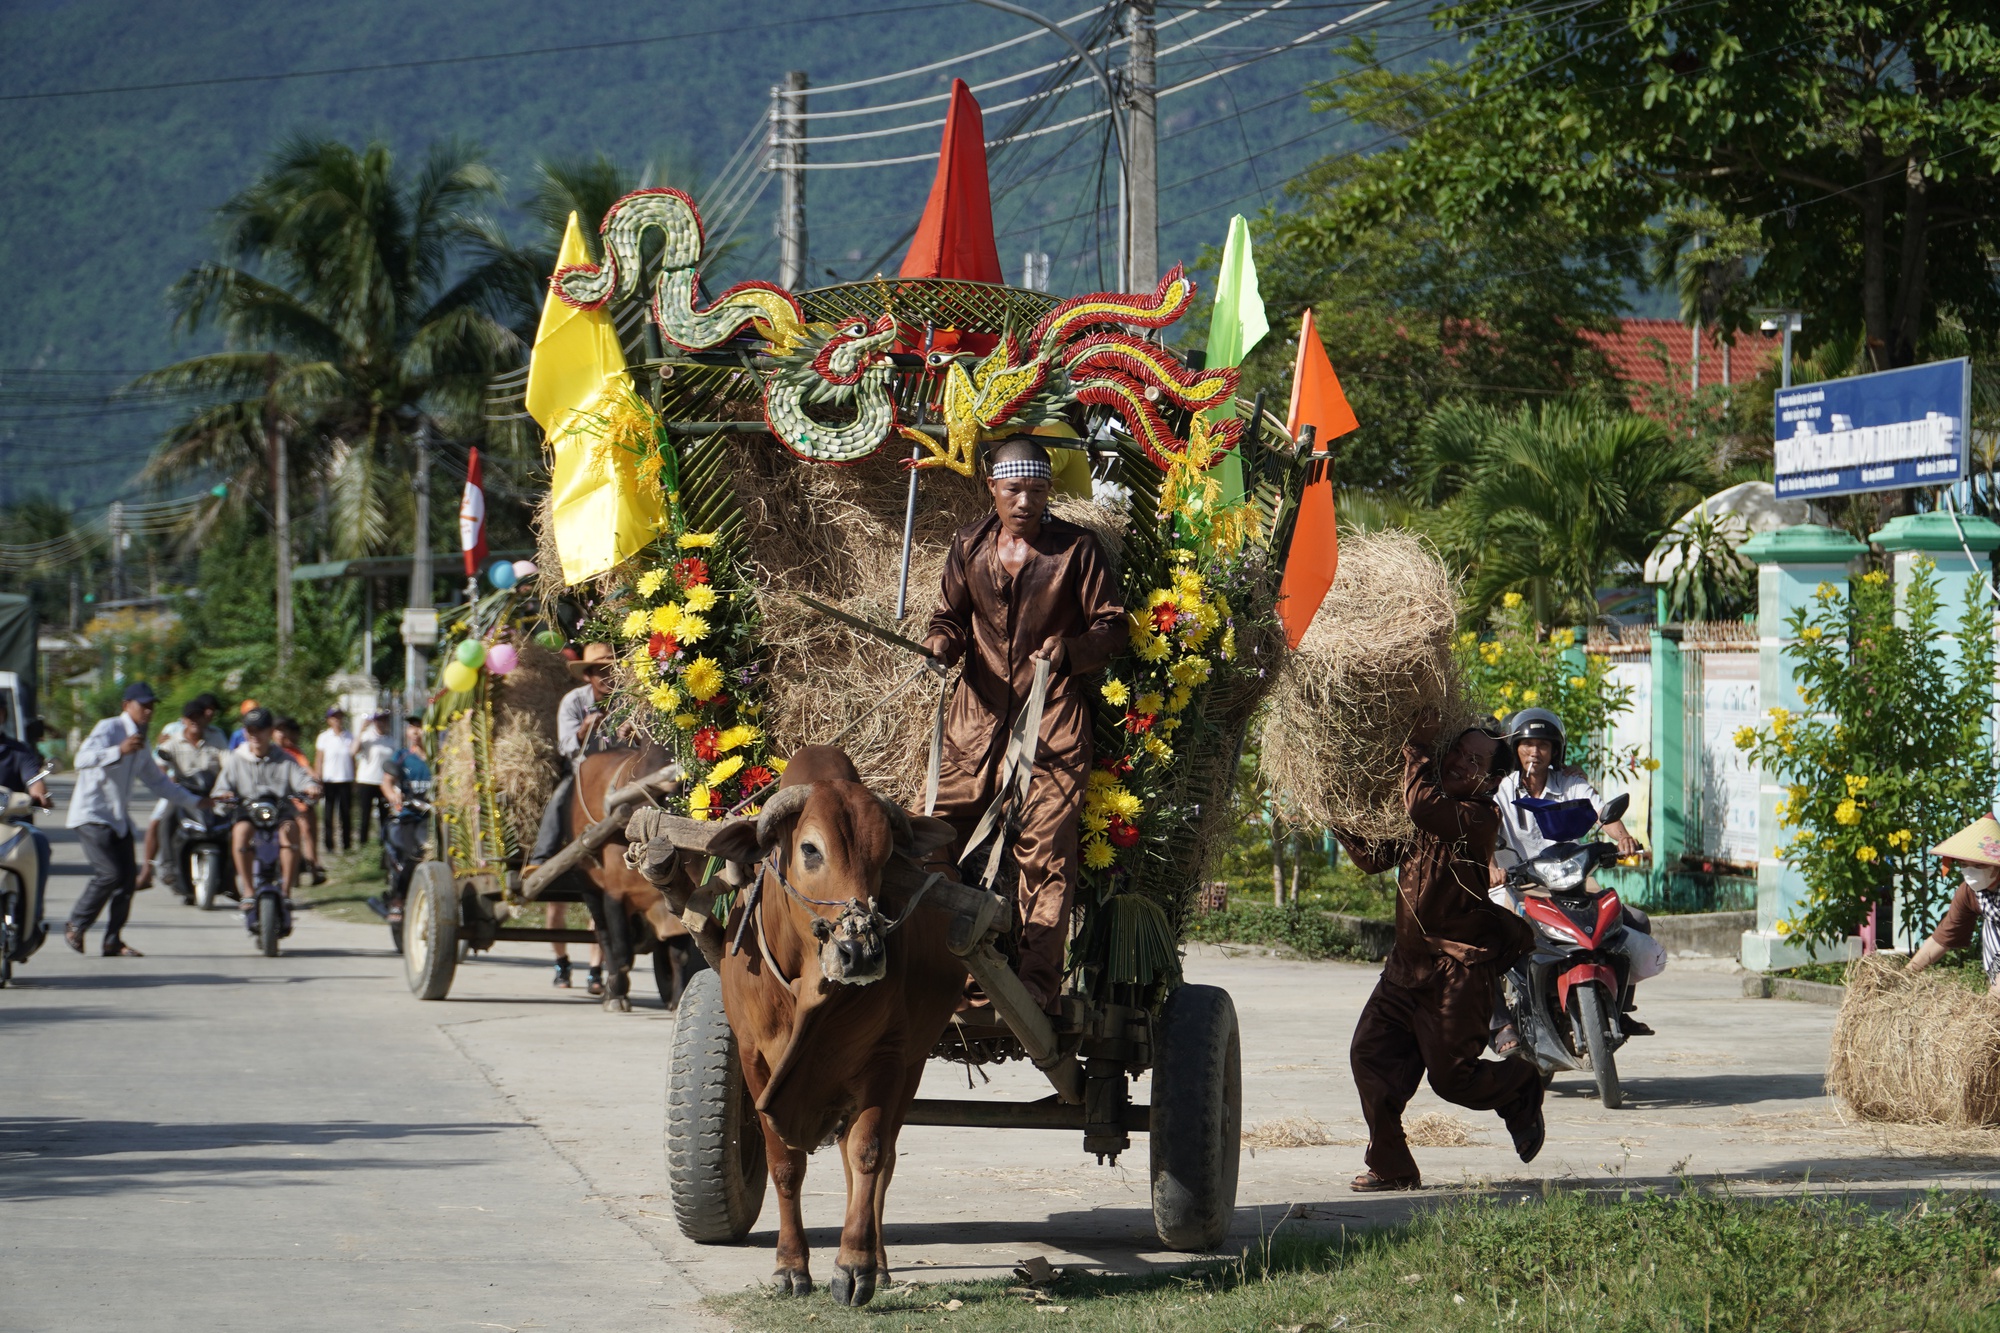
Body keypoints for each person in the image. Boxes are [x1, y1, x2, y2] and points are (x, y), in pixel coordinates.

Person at [919, 436, 1125, 1012]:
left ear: (1049, 491)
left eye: (1037, 490)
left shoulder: (1078, 550)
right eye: (1014, 489)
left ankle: (1035, 985)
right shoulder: (968, 545)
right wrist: (941, 642)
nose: (1026, 502)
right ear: (993, 489)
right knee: (935, 834)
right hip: (973, 720)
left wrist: (1071, 650)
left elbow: (1114, 627)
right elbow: (950, 617)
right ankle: (943, 971)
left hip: (1052, 722)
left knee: (1046, 850)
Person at [1334, 716, 1546, 1191]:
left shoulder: (1477, 817)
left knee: (1454, 1082)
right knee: (1369, 1056)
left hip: (1458, 971)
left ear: (1490, 780)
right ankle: (1391, 1164)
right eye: (1457, 751)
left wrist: (1419, 744)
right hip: (1406, 968)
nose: (1458, 763)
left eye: (1474, 760)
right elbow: (1374, 858)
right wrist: (1334, 807)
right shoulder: (1428, 811)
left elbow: (1419, 805)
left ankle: (1520, 1084)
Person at [1488, 707, 1663, 1050]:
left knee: (1636, 923)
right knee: (1489, 942)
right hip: (1515, 884)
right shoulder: (1501, 790)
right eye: (1527, 745)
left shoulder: (1570, 783)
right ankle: (1502, 1023)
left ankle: (1619, 1004)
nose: (1535, 752)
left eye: (1543, 745)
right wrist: (1491, 866)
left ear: (1555, 751)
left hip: (1570, 882)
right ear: (1515, 749)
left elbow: (1600, 811)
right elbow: (1485, 829)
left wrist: (1622, 837)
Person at [64, 683, 204, 957]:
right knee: (109, 874)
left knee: (127, 881)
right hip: (92, 814)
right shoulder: (109, 728)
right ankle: (76, 925)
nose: (149, 711)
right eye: (143, 705)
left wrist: (198, 801)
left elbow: (159, 783)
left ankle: (113, 941)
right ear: (126, 705)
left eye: (152, 706)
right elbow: (82, 759)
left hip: (118, 820)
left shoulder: (142, 741)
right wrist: (119, 750)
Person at [526, 643, 616, 992]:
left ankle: (596, 970)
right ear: (589, 675)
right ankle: (542, 856)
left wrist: (626, 733)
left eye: (612, 670)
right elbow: (566, 746)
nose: (609, 677)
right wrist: (584, 730)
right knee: (562, 795)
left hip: (619, 776)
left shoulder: (627, 702)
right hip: (583, 773)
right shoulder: (574, 702)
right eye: (601, 671)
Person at [214, 707, 321, 907]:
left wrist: (311, 787)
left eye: (260, 729)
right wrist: (224, 794)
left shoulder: (285, 758)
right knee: (240, 831)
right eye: (250, 729)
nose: (255, 734)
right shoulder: (236, 759)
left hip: (279, 810)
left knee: (290, 830)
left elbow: (302, 779)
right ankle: (248, 890)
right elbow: (221, 787)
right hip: (248, 810)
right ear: (245, 732)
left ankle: (286, 891)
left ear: (270, 731)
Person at [1909, 814, 2000, 994]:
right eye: (1964, 865)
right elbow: (1942, 938)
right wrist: (1906, 974)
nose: (1969, 871)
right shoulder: (1968, 892)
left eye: (1979, 866)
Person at [145, 699, 226, 896]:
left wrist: (230, 786)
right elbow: (159, 765)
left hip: (212, 793)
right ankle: (166, 866)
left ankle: (229, 876)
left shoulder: (216, 738)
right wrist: (167, 782)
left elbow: (229, 763)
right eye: (191, 717)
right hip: (182, 793)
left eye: (198, 717)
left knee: (233, 823)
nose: (195, 721)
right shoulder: (172, 741)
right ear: (183, 720)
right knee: (164, 819)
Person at [374, 717, 435, 929]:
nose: (416, 731)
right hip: (410, 816)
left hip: (435, 817)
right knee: (416, 851)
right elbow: (386, 782)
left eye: (420, 726)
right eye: (412, 726)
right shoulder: (402, 757)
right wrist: (393, 795)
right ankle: (398, 899)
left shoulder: (440, 757)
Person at [0, 717, 52, 958]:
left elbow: (35, 783)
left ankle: (34, 914)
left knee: (39, 842)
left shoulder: (19, 751)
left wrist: (39, 795)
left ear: (2, 715)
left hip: (14, 823)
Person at [273, 716, 325, 883]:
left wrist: (314, 781)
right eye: (278, 730)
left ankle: (312, 864)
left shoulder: (293, 752)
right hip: (273, 800)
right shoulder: (267, 751)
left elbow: (305, 769)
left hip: (294, 798)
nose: (282, 734)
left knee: (308, 825)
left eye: (284, 730)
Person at [315, 706, 357, 857]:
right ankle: (329, 844)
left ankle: (346, 844)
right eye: (334, 717)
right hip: (329, 779)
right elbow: (319, 759)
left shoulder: (349, 736)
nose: (337, 720)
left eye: (339, 717)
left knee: (345, 814)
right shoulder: (324, 737)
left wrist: (355, 777)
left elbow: (352, 758)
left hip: (345, 778)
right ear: (329, 720)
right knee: (328, 814)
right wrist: (317, 778)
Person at [353, 711, 392, 846]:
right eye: (378, 720)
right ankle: (363, 842)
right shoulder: (367, 737)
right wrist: (361, 730)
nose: (381, 723)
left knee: (384, 814)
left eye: (384, 720)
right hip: (367, 779)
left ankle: (384, 843)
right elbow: (352, 751)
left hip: (383, 781)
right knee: (365, 813)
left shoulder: (390, 740)